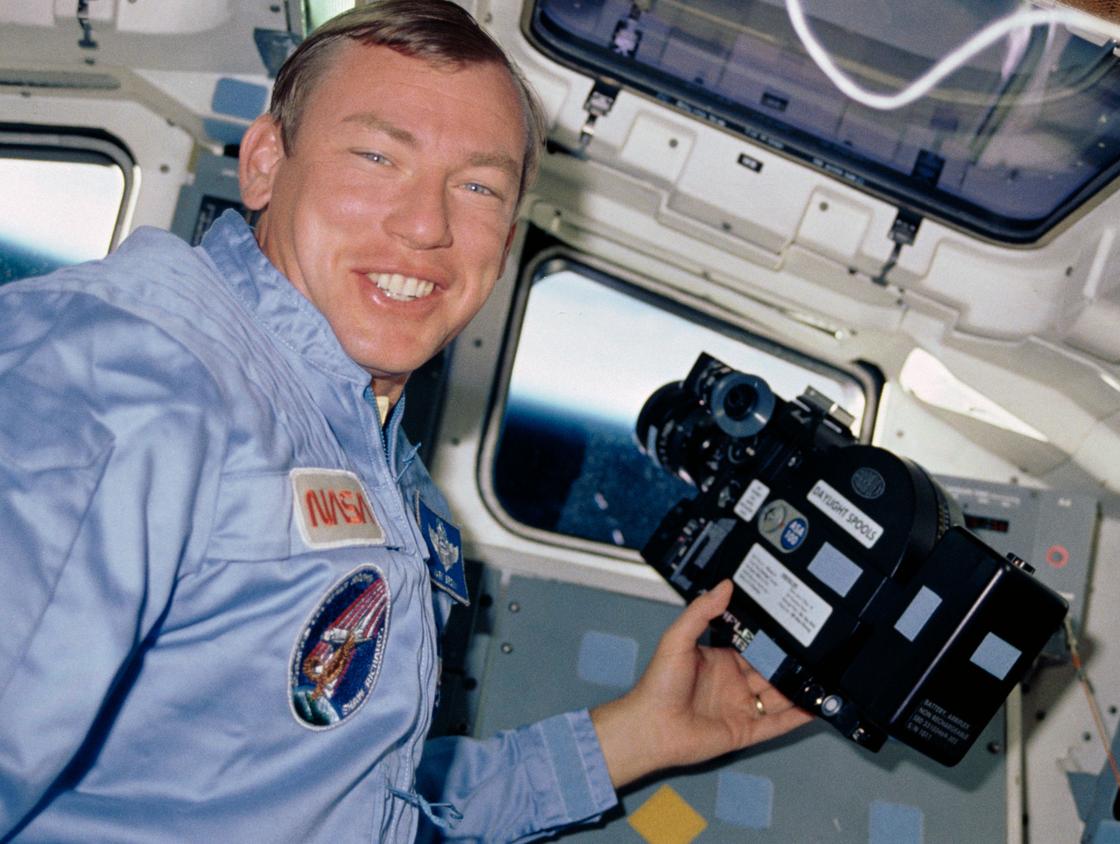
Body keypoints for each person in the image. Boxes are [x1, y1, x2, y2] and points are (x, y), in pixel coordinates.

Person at [0, 2, 809, 841]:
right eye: (378, 156)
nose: (427, 226)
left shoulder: (368, 447)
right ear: (266, 163)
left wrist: (636, 737)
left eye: (479, 186)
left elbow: (349, 800)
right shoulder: (118, 368)